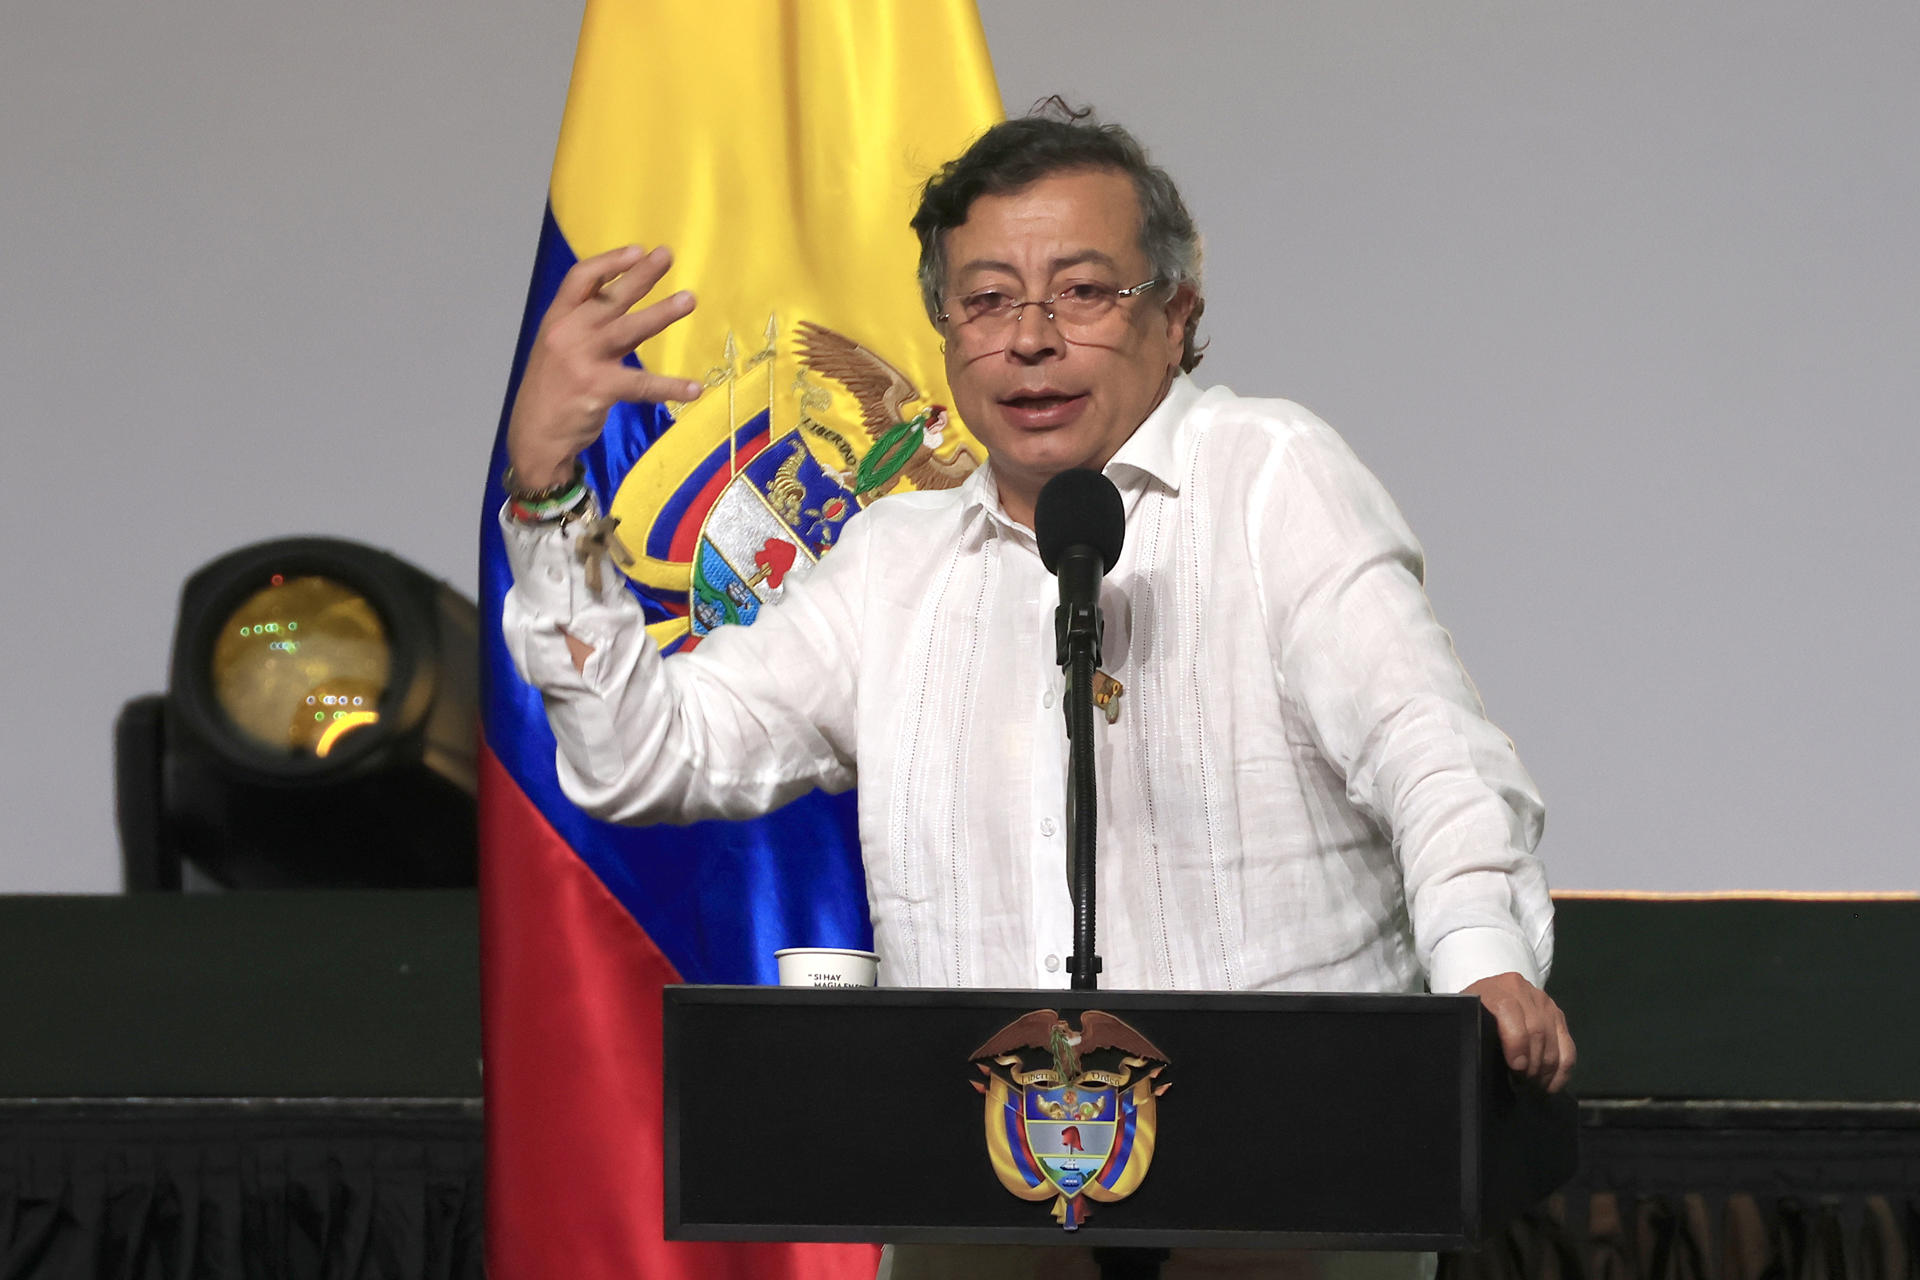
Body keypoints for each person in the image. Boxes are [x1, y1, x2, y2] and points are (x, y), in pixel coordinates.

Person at [499, 109, 1573, 1277]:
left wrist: (1479, 958)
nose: (1030, 340)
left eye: (1082, 293)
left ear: (1178, 317)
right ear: (946, 332)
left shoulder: (1271, 477)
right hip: (980, 1206)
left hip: (1293, 1195)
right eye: (988, 299)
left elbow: (1430, 745)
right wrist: (552, 490)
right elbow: (642, 756)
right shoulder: (896, 562)